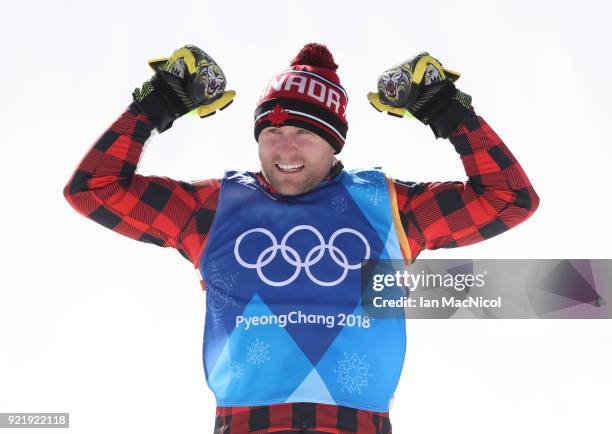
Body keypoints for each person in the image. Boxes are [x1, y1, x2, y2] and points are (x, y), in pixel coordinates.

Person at [63, 43, 539, 434]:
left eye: (304, 133)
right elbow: (91, 190)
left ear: (336, 144)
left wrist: (447, 111)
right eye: (272, 132)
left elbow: (510, 199)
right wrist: (155, 104)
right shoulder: (213, 210)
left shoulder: (388, 209)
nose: (285, 148)